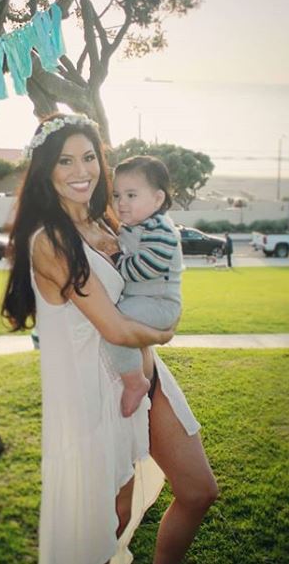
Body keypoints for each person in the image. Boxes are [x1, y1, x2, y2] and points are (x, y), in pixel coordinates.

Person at [1, 113, 217, 564]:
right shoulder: (50, 242)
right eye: (65, 161)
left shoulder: (110, 220)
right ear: (47, 171)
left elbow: (151, 273)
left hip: (146, 372)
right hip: (99, 389)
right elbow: (114, 328)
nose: (81, 171)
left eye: (88, 158)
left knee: (198, 491)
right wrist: (166, 330)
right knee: (109, 520)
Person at [105, 156, 183, 418]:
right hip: (146, 301)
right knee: (114, 322)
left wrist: (114, 259)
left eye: (131, 195)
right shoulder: (136, 225)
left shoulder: (160, 228)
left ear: (158, 199)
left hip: (160, 304)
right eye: (117, 195)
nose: (121, 203)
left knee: (114, 325)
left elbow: (144, 268)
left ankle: (134, 381)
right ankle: (136, 375)